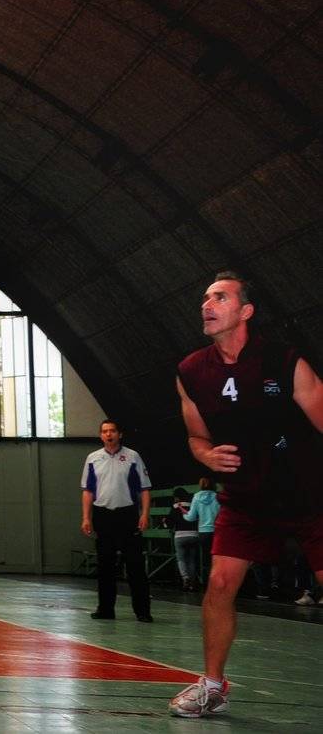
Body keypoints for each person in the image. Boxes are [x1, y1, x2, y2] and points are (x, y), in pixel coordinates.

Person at [168, 271, 323, 719]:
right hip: (246, 497)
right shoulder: (190, 371)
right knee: (219, 584)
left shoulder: (284, 361)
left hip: (306, 490)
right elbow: (196, 436)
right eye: (205, 298)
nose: (207, 305)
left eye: (220, 297)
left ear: (246, 311)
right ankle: (213, 686)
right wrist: (206, 455)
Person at [80, 418, 153, 622]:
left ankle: (143, 611)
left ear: (120, 434)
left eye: (112, 431)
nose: (108, 434)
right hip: (103, 515)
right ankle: (105, 609)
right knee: (105, 565)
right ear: (100, 435)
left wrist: (144, 514)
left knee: (135, 565)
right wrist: (86, 517)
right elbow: (88, 491)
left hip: (127, 515)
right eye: (105, 431)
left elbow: (144, 489)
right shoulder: (93, 458)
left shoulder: (133, 456)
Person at [186, 476, 220, 581]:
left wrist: (184, 514)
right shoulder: (218, 497)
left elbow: (191, 517)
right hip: (217, 531)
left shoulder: (196, 497)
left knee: (206, 558)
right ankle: (219, 580)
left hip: (203, 532)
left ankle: (207, 581)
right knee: (218, 558)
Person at [171, 487, 201, 592]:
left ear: (177, 497)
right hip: (194, 535)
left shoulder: (175, 507)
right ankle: (192, 583)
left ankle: (185, 578)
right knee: (191, 559)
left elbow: (170, 523)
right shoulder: (193, 505)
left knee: (181, 559)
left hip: (180, 535)